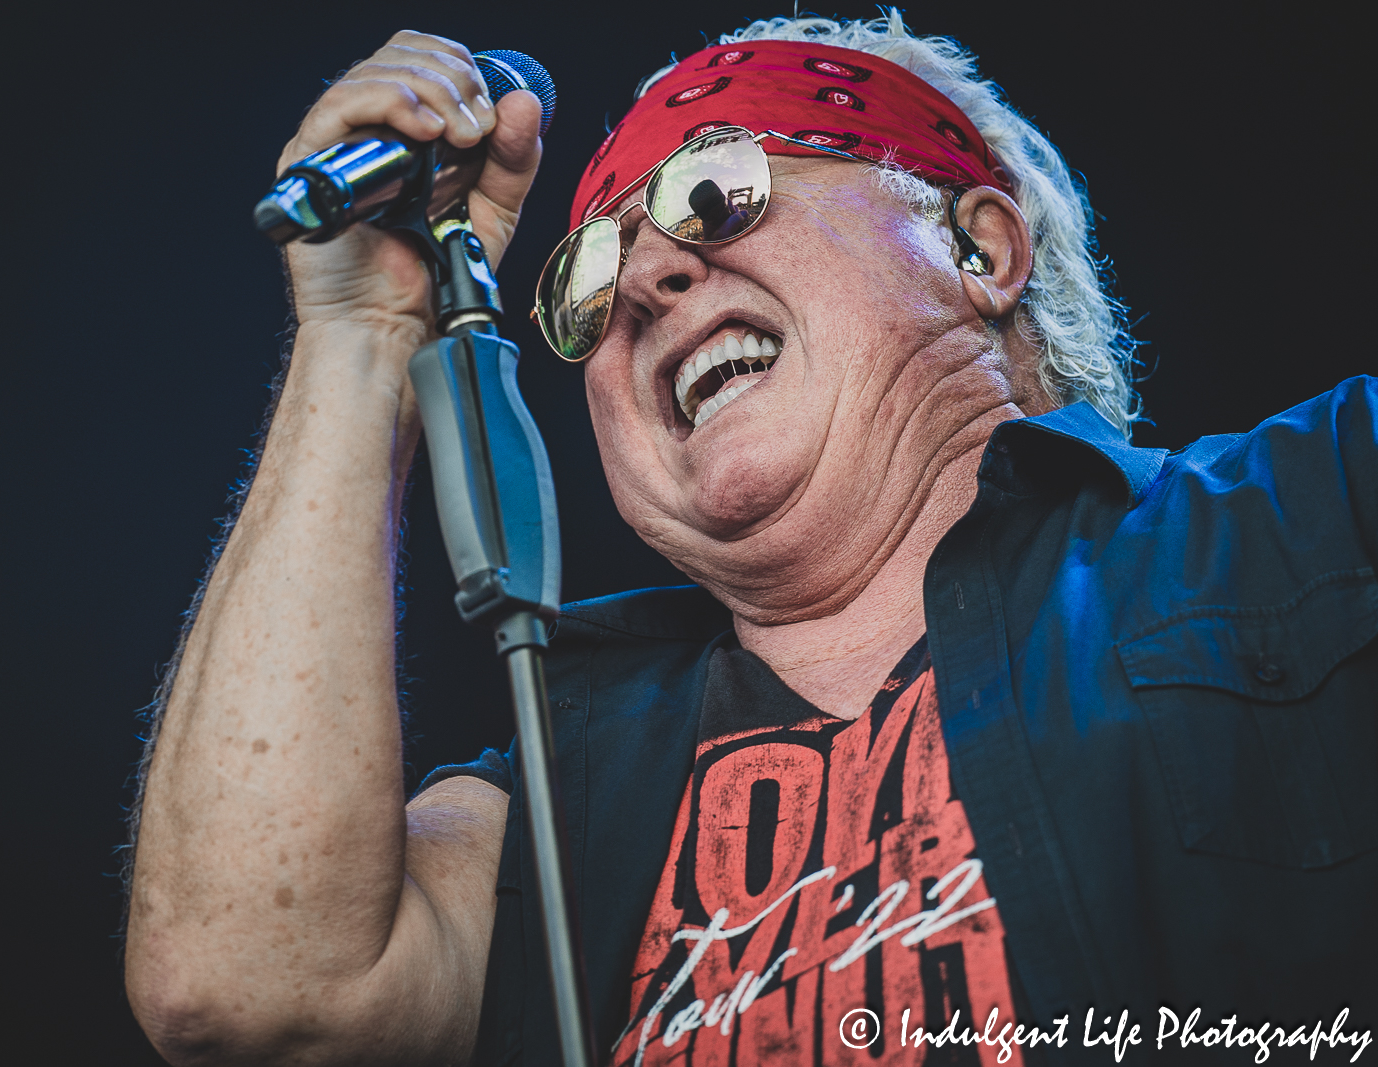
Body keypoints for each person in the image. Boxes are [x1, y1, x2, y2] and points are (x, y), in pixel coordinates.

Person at [123, 14, 1377, 1067]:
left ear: (978, 245)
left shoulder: (1319, 504)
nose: (644, 283)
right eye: (586, 282)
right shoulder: (558, 792)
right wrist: (364, 330)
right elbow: (246, 981)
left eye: (716, 192)